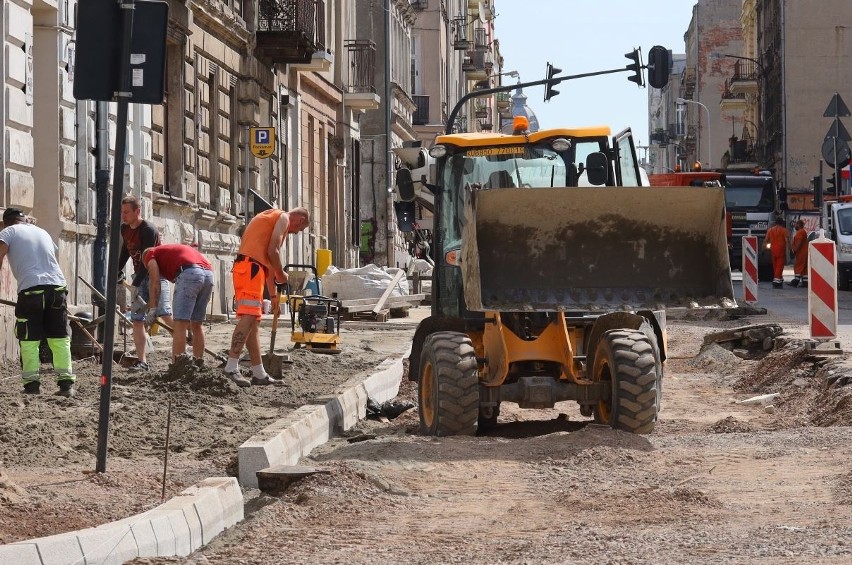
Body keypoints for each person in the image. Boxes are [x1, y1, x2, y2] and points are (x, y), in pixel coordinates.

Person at [224, 207, 310, 387]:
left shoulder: (271, 218)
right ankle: (231, 367)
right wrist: (282, 274)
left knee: (253, 323)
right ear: (300, 219)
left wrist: (274, 297)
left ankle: (259, 373)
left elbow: (269, 264)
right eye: (299, 230)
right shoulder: (283, 218)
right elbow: (273, 252)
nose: (295, 233)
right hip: (251, 270)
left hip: (248, 269)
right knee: (248, 318)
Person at [0, 208, 76, 396]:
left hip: (31, 290)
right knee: (59, 337)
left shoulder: (7, 232)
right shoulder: (42, 231)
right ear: (24, 219)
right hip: (57, 288)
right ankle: (66, 385)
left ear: (6, 222)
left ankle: (32, 386)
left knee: (29, 339)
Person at [117, 195, 174, 371]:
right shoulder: (124, 229)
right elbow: (126, 250)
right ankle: (142, 361)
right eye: (122, 212)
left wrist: (136, 284)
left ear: (137, 211)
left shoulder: (148, 229)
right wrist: (117, 270)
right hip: (138, 277)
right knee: (137, 319)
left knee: (164, 313)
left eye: (127, 212)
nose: (123, 216)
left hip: (156, 276)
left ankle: (183, 345)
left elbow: (147, 260)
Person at [141, 244, 214, 362]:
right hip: (209, 275)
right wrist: (189, 332)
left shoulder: (150, 254)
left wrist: (153, 309)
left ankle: (177, 367)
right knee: (196, 324)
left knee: (180, 324)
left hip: (189, 273)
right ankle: (198, 364)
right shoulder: (174, 251)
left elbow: (155, 282)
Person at [765, 216, 789, 289]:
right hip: (781, 250)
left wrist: (763, 249)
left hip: (773, 250)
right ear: (782, 223)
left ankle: (779, 279)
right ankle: (776, 280)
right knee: (779, 266)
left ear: (775, 222)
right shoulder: (784, 230)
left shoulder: (770, 230)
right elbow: (787, 240)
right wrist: (790, 250)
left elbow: (766, 240)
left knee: (775, 266)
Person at [790, 219, 809, 288]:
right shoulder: (802, 232)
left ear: (798, 225)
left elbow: (799, 242)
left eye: (796, 224)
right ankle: (805, 282)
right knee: (804, 267)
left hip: (801, 252)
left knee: (798, 265)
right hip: (803, 252)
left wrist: (794, 250)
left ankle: (796, 281)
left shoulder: (801, 232)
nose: (795, 225)